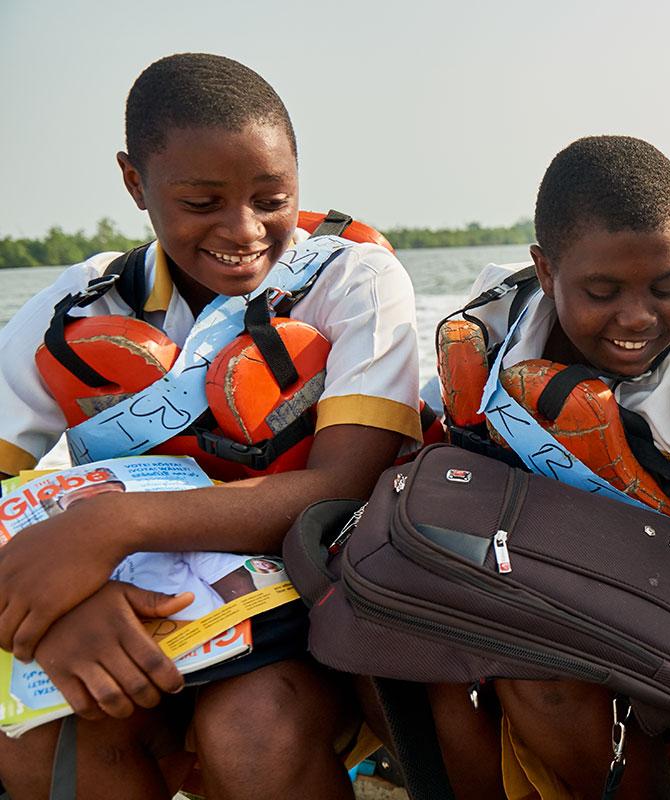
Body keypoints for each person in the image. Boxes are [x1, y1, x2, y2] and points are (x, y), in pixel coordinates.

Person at [0, 53, 421, 799]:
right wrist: (59, 611)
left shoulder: (353, 278)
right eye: (202, 202)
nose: (245, 229)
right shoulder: (76, 306)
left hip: (307, 595)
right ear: (135, 182)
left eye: (272, 197)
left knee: (253, 733)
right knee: (40, 747)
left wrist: (108, 528)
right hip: (130, 601)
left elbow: (343, 482)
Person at [434, 135, 670, 800]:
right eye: (603, 290)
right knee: (418, 652)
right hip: (534, 590)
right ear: (545, 273)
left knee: (543, 683)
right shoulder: (497, 317)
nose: (638, 317)